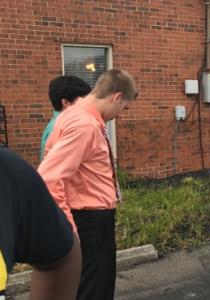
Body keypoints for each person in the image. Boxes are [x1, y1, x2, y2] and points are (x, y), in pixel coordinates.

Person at [38, 69, 138, 300]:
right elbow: (49, 178)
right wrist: (69, 230)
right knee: (95, 290)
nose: (120, 114)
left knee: (89, 286)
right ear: (116, 97)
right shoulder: (85, 125)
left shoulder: (77, 115)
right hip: (89, 222)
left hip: (91, 219)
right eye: (123, 107)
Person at [0, 147, 81, 300]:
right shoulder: (84, 127)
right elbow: (52, 177)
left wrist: (57, 221)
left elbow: (61, 256)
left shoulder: (5, 170)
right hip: (85, 214)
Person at [41, 75, 92, 160]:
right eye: (83, 100)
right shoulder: (64, 128)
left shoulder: (56, 125)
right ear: (66, 102)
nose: (88, 105)